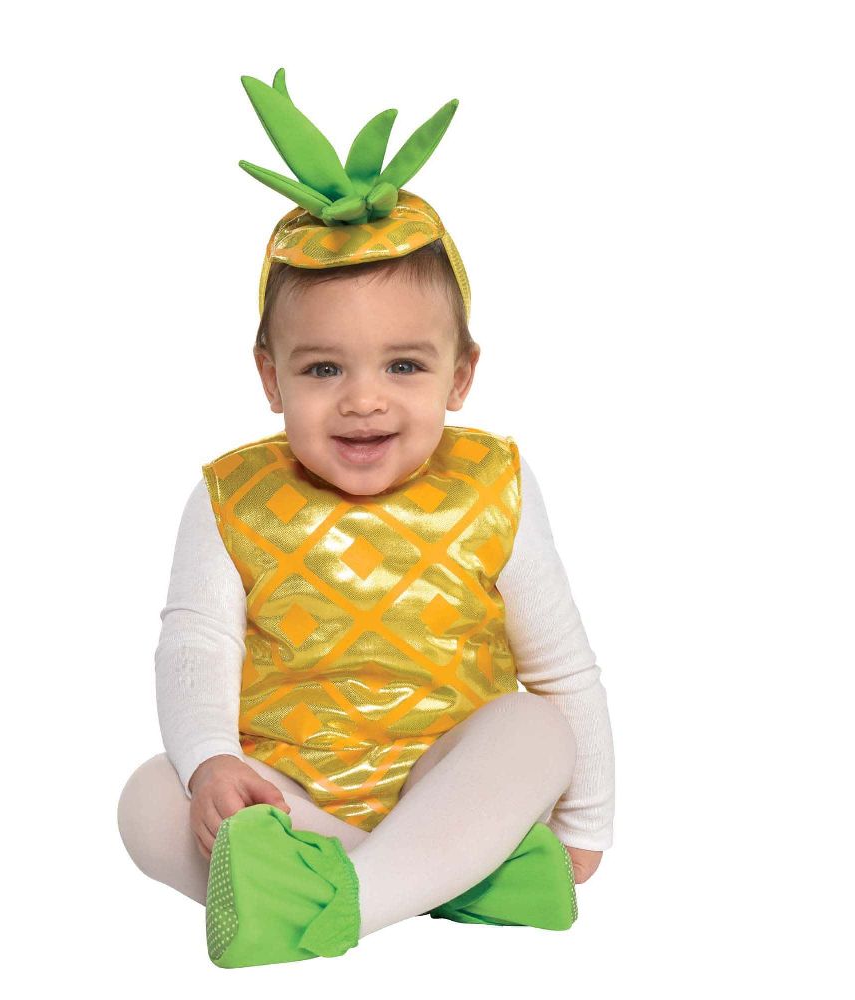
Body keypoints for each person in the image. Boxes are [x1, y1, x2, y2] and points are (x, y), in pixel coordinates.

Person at [117, 68, 615, 968]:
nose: (363, 401)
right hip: (292, 794)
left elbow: (563, 667)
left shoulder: (493, 484)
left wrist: (586, 828)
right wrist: (211, 763)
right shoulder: (231, 498)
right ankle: (461, 882)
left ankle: (336, 901)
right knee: (151, 798)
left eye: (403, 366)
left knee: (536, 726)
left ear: (461, 375)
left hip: (451, 780)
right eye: (322, 369)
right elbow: (195, 647)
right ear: (270, 377)